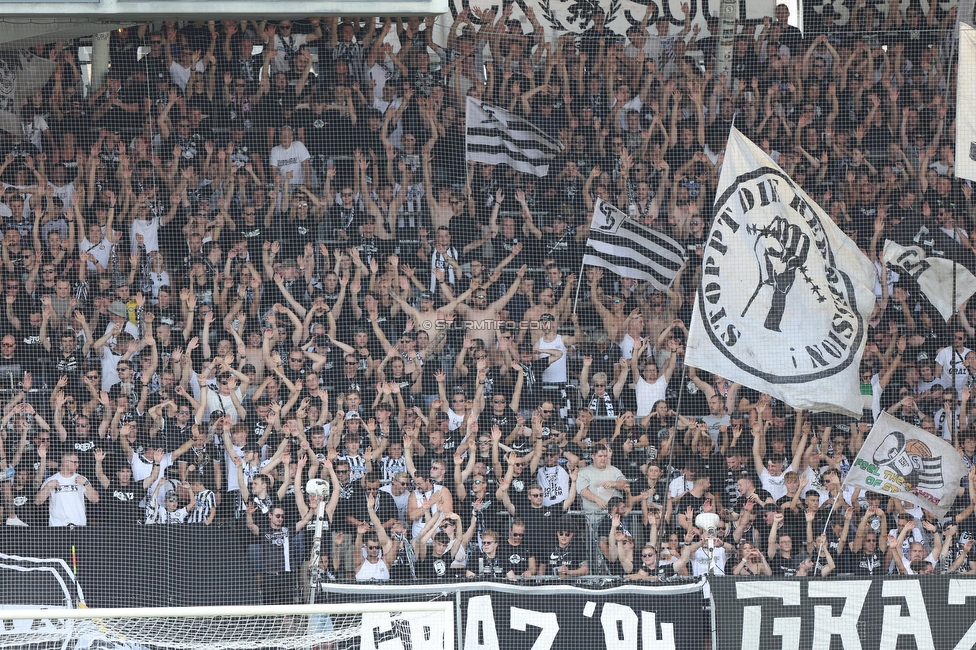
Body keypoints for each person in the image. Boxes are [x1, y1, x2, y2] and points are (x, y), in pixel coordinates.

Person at [35, 452, 99, 526]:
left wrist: (86, 484)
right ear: (66, 462)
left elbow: (95, 499)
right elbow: (38, 501)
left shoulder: (82, 479)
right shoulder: (51, 480)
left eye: (78, 462)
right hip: (57, 525)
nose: (77, 465)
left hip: (79, 524)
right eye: (75, 462)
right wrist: (47, 486)